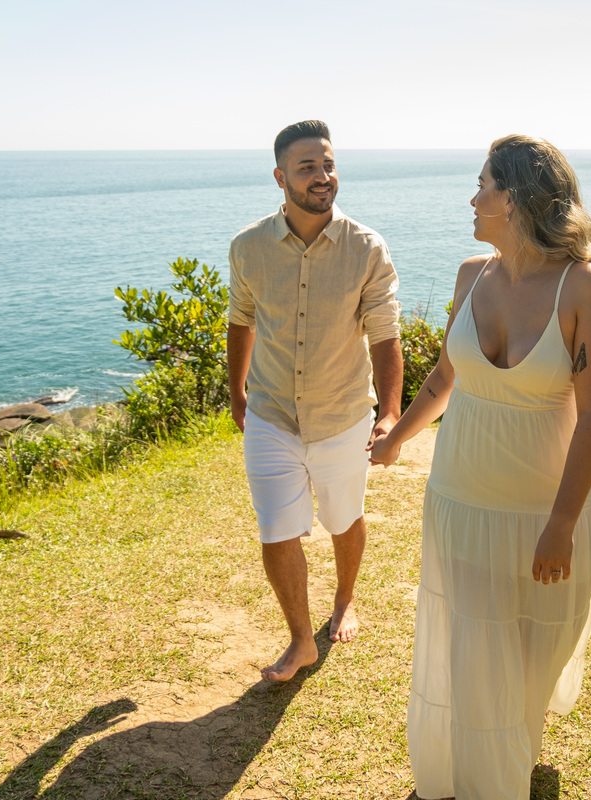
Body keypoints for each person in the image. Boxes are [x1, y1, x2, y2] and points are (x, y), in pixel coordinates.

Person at [369, 135, 591, 799]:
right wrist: (396, 435)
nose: (472, 197)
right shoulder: (468, 275)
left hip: (550, 515)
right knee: (479, 662)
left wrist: (562, 523)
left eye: (482, 184)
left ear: (512, 198)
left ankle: (511, 757)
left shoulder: (583, 288)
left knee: (533, 667)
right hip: (464, 502)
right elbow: (444, 377)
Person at [228, 120, 403, 683]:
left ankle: (345, 599)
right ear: (280, 178)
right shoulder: (248, 247)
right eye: (307, 168)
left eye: (327, 165)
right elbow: (241, 322)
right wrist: (238, 392)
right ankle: (301, 640)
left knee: (343, 518)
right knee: (276, 528)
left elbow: (384, 335)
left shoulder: (366, 248)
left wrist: (391, 413)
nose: (322, 177)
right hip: (273, 414)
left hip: (343, 415)